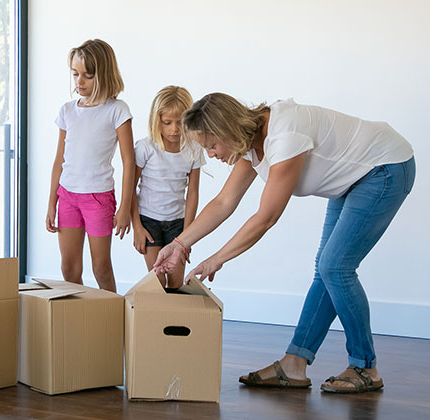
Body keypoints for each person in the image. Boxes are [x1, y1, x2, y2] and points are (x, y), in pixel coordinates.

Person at [154, 93, 415, 393]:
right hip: (353, 178)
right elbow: (224, 202)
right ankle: (294, 364)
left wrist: (217, 259)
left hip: (384, 168)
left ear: (227, 130)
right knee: (327, 269)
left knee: (336, 267)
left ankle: (365, 366)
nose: (211, 154)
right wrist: (179, 244)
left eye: (211, 145)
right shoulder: (250, 144)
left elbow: (266, 217)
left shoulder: (284, 137)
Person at [45, 39, 134, 292]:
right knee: (69, 269)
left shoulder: (117, 110)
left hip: (98, 198)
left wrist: (125, 207)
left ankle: (112, 320)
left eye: (88, 75)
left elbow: (129, 162)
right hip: (68, 197)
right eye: (75, 74)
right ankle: (79, 319)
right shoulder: (67, 111)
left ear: (104, 75)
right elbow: (58, 160)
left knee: (101, 268)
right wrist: (52, 203)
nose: (79, 81)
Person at [131, 86, 205, 289]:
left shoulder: (194, 150)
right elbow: (130, 187)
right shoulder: (146, 147)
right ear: (157, 121)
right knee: (157, 279)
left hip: (178, 223)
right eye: (167, 123)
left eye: (180, 123)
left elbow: (193, 192)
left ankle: (174, 321)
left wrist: (188, 235)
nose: (174, 129)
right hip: (148, 222)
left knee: (175, 281)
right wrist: (136, 226)